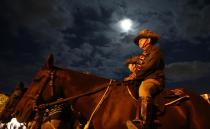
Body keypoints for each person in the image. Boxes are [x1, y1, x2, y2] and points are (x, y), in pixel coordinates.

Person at [124, 29, 165, 129]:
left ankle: (144, 123)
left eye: (141, 40)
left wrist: (135, 76)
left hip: (154, 79)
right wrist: (130, 65)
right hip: (142, 79)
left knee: (144, 89)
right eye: (138, 41)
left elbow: (149, 67)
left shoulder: (156, 50)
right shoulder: (142, 56)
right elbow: (133, 61)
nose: (139, 42)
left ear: (149, 40)